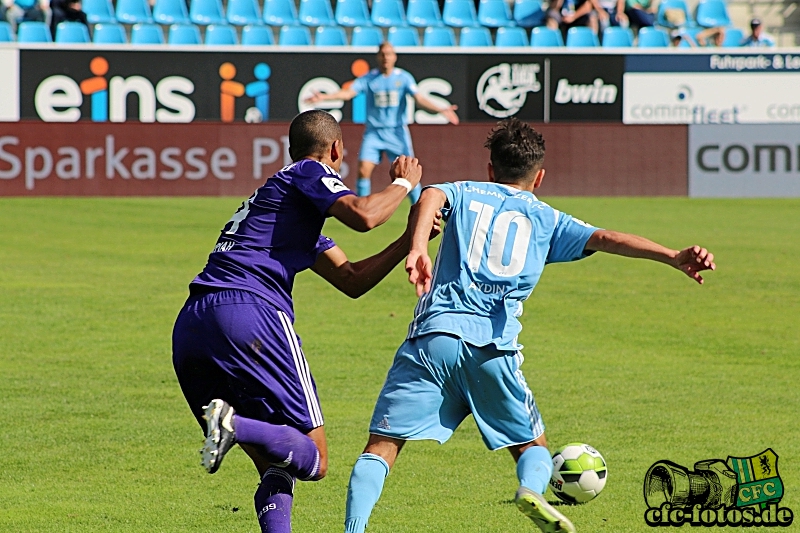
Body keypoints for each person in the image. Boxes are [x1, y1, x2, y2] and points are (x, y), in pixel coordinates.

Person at [342, 118, 716, 533]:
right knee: (531, 446)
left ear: (490, 169)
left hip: (435, 336)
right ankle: (532, 490)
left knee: (383, 445)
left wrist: (417, 248)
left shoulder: (465, 192)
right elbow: (607, 237)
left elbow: (430, 194)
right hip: (493, 348)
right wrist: (671, 255)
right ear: (539, 176)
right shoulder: (548, 218)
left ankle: (353, 529)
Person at [172, 109, 437, 533]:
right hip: (250, 313)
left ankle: (232, 426)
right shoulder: (307, 171)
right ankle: (232, 423)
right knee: (316, 460)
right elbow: (364, 214)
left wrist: (409, 239)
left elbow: (351, 280)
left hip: (192, 326)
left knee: (276, 463)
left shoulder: (281, 212)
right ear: (335, 149)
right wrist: (404, 183)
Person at [305, 42, 459, 203]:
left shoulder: (403, 78)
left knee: (409, 172)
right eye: (383, 54)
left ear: (394, 57)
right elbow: (348, 93)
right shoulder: (369, 78)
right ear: (378, 57)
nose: (386, 57)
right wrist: (324, 97)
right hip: (374, 132)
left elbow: (419, 99)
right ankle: (362, 207)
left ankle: (420, 207)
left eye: (389, 54)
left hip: (396, 131)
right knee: (363, 170)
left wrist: (441, 109)